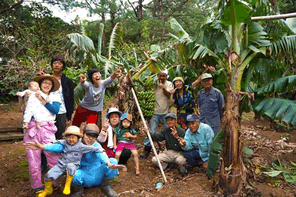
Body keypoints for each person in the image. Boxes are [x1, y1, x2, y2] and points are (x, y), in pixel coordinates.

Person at [24, 126, 106, 196]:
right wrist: (42, 147)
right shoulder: (64, 143)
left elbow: (93, 148)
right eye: (69, 137)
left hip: (72, 165)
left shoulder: (81, 146)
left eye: (73, 137)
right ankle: (48, 189)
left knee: (71, 168)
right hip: (62, 164)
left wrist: (102, 151)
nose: (71, 139)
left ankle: (68, 184)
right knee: (49, 175)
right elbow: (54, 146)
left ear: (78, 138)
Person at [23, 74, 61, 194]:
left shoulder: (55, 96)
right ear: (39, 85)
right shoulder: (32, 96)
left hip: (47, 129)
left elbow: (55, 110)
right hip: (33, 129)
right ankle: (37, 186)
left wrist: (42, 99)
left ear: (52, 86)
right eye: (44, 82)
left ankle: (55, 181)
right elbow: (27, 110)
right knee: (33, 159)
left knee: (53, 156)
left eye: (49, 83)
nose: (47, 85)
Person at [71, 124, 124, 197]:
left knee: (113, 161)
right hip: (85, 175)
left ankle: (106, 184)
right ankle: (78, 190)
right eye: (88, 135)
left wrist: (108, 163)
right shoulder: (76, 145)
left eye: (94, 136)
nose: (90, 139)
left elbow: (101, 153)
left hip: (99, 173)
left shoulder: (96, 145)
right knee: (73, 171)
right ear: (83, 134)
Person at [140, 69, 173, 158]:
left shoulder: (169, 84)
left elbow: (169, 95)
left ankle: (169, 149)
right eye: (160, 75)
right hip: (154, 112)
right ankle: (147, 150)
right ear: (157, 75)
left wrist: (163, 88)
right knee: (151, 131)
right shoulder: (153, 83)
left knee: (169, 131)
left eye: (164, 76)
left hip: (165, 112)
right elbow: (146, 88)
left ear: (166, 76)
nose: (162, 77)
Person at [50, 55, 75, 139]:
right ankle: (46, 152)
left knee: (59, 133)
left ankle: (57, 151)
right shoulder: (47, 78)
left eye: (59, 63)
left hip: (62, 111)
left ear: (63, 66)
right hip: (48, 110)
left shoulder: (67, 81)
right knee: (47, 133)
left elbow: (70, 99)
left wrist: (69, 116)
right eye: (55, 63)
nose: (57, 65)